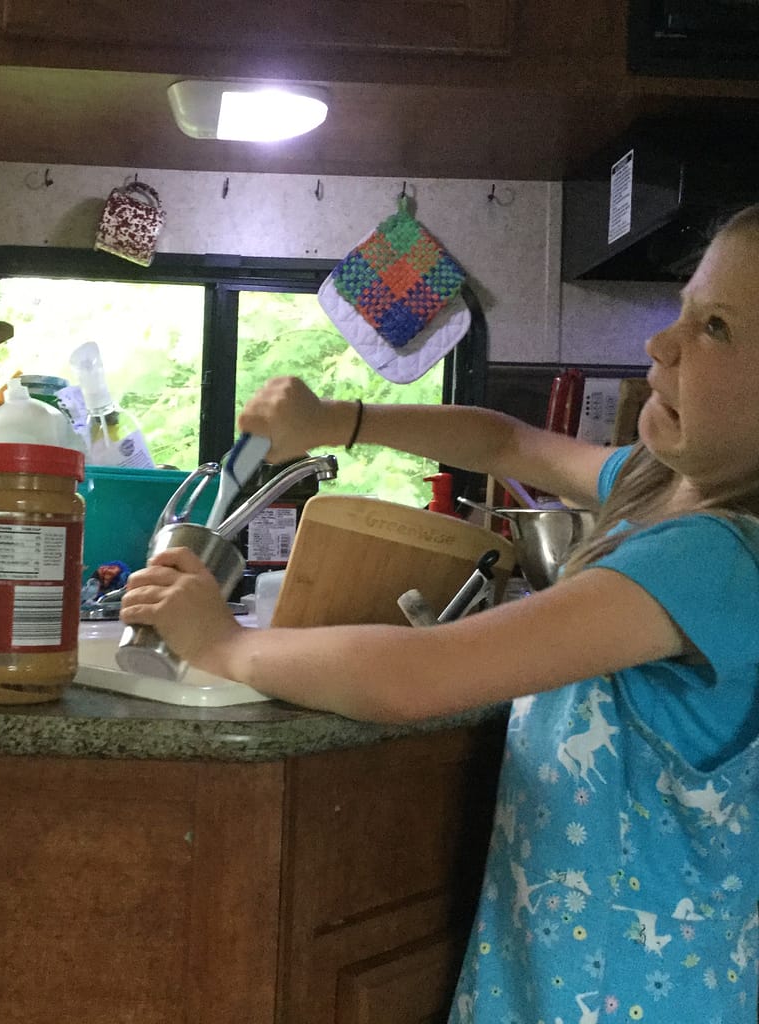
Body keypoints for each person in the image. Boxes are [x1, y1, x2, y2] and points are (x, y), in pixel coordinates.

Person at [120, 206, 759, 1021]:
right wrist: (338, 422)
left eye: (717, 329)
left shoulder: (718, 559)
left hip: (630, 988)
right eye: (682, 309)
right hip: (571, 961)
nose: (660, 344)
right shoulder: (657, 486)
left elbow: (418, 675)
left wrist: (226, 644)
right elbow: (507, 444)